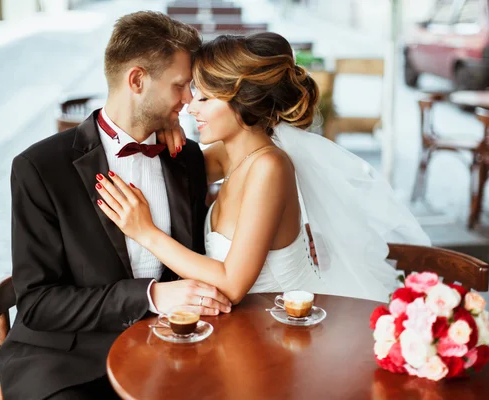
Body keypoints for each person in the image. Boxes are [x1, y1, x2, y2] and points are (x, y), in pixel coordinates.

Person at [96, 32, 431, 307]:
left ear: (241, 100)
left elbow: (232, 282)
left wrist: (145, 232)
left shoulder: (270, 166)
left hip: (284, 329)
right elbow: (164, 166)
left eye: (205, 99)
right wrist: (161, 128)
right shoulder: (228, 157)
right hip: (242, 328)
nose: (190, 108)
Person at [0, 12, 233, 400]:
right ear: (137, 80)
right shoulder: (39, 167)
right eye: (180, 86)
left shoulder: (184, 157)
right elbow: (39, 302)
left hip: (171, 347)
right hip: (67, 361)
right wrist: (151, 296)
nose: (189, 100)